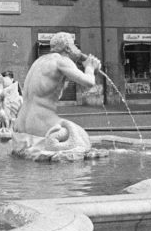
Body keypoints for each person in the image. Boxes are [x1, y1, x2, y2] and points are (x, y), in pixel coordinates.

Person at [11, 32, 102, 160]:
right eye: (75, 46)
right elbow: (89, 82)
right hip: (39, 123)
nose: (78, 50)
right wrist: (90, 67)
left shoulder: (39, 61)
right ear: (68, 48)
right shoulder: (62, 60)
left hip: (21, 124)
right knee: (81, 137)